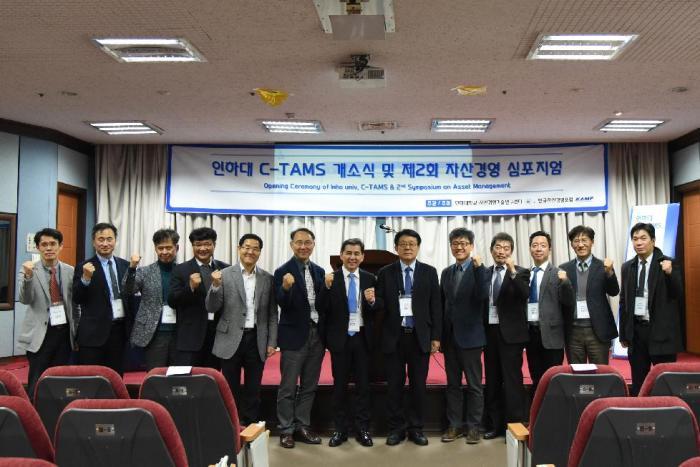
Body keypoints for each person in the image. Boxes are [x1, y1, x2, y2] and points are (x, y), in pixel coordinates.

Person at [375, 229, 441, 446]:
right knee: (394, 386)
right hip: (394, 337)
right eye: (403, 244)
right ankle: (396, 429)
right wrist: (373, 300)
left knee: (418, 386)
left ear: (418, 247)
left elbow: (436, 306)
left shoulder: (429, 272)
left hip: (419, 337)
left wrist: (436, 336)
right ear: (396, 248)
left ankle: (416, 428)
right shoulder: (385, 273)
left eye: (412, 243)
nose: (407, 247)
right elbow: (380, 304)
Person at [206, 233, 278, 425]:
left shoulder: (267, 278)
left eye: (255, 248)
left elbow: (272, 313)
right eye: (246, 247)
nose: (250, 251)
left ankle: (251, 426)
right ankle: (231, 425)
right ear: (239, 249)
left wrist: (272, 341)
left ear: (260, 252)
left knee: (254, 389)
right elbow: (211, 307)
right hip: (230, 338)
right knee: (230, 387)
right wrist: (215, 286)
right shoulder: (224, 275)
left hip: (256, 339)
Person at [318, 238, 377, 447]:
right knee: (339, 386)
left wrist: (372, 301)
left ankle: (363, 429)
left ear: (362, 257)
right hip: (340, 340)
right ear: (341, 255)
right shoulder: (330, 279)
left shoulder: (370, 278)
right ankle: (340, 430)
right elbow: (321, 308)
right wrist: (325, 288)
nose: (352, 257)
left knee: (363, 386)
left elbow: (378, 309)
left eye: (356, 253)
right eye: (348, 253)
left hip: (362, 338)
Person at [274, 228, 325, 449]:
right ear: (291, 245)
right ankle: (286, 429)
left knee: (309, 385)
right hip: (294, 335)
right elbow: (280, 303)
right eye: (299, 242)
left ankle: (302, 426)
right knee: (287, 386)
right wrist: (285, 288)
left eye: (307, 242)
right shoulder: (282, 271)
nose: (303, 246)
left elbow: (323, 303)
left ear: (313, 244)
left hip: (317, 335)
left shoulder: (320, 271)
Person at [619, 222, 683, 396]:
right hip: (637, 333)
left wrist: (670, 273)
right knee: (639, 383)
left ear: (653, 241)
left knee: (665, 382)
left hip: (661, 333)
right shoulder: (628, 267)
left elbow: (678, 293)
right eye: (635, 239)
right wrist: (624, 333)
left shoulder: (667, 263)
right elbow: (624, 301)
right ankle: (640, 409)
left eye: (643, 238)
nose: (639, 242)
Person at [439, 228, 488, 445]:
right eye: (455, 244)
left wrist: (478, 269)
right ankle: (455, 425)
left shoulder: (480, 270)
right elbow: (443, 304)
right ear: (451, 246)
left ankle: (474, 427)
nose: (459, 247)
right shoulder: (446, 272)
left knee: (474, 385)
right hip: (450, 338)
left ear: (471, 246)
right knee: (453, 385)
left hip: (471, 337)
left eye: (464, 243)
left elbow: (483, 295)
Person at [482, 232, 530, 440]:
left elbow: (525, 294)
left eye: (506, 248)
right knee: (492, 380)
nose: (501, 251)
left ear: (511, 252)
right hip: (489, 333)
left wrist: (512, 271)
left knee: (512, 381)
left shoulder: (521, 272)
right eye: (498, 247)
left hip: (511, 336)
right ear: (491, 250)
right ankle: (494, 425)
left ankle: (514, 426)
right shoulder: (484, 272)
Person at [17, 228, 75, 396]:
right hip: (40, 334)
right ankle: (34, 409)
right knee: (37, 380)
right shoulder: (28, 270)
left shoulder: (70, 271)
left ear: (60, 246)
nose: (48, 248)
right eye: (44, 244)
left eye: (52, 244)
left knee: (60, 378)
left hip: (64, 333)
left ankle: (57, 408)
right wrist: (28, 277)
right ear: (38, 247)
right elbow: (25, 299)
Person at [73, 222, 130, 375]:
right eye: (101, 239)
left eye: (109, 239)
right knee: (91, 379)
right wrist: (85, 279)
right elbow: (77, 298)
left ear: (115, 241)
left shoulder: (125, 265)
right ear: (94, 242)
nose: (105, 243)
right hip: (93, 335)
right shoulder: (84, 266)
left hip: (119, 332)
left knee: (116, 377)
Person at [168, 227, 229, 368]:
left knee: (212, 377)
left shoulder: (225, 269)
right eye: (198, 245)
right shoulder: (181, 269)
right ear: (192, 246)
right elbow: (172, 300)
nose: (202, 248)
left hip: (218, 336)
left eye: (207, 244)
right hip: (191, 337)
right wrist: (190, 288)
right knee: (189, 377)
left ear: (214, 245)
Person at [559, 225, 619, 364]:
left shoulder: (603, 266)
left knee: (600, 372)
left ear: (592, 242)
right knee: (576, 372)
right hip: (573, 331)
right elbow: (562, 299)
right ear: (571, 245)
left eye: (584, 240)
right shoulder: (564, 269)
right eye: (576, 241)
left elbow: (614, 292)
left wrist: (610, 272)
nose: (580, 244)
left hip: (597, 329)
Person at [124, 228, 180, 370]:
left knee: (179, 377)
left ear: (177, 248)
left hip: (180, 333)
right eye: (160, 248)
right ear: (155, 249)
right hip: (154, 334)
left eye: (169, 247)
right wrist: (132, 268)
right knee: (156, 376)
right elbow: (128, 290)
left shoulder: (184, 271)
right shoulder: (145, 271)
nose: (164, 252)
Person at [525, 230, 574, 393]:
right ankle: (537, 408)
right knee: (536, 377)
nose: (538, 249)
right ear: (530, 249)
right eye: (535, 245)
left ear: (549, 249)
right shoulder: (525, 274)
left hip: (552, 335)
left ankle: (553, 409)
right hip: (531, 334)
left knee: (553, 379)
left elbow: (569, 302)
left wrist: (565, 282)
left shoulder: (558, 273)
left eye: (543, 245)